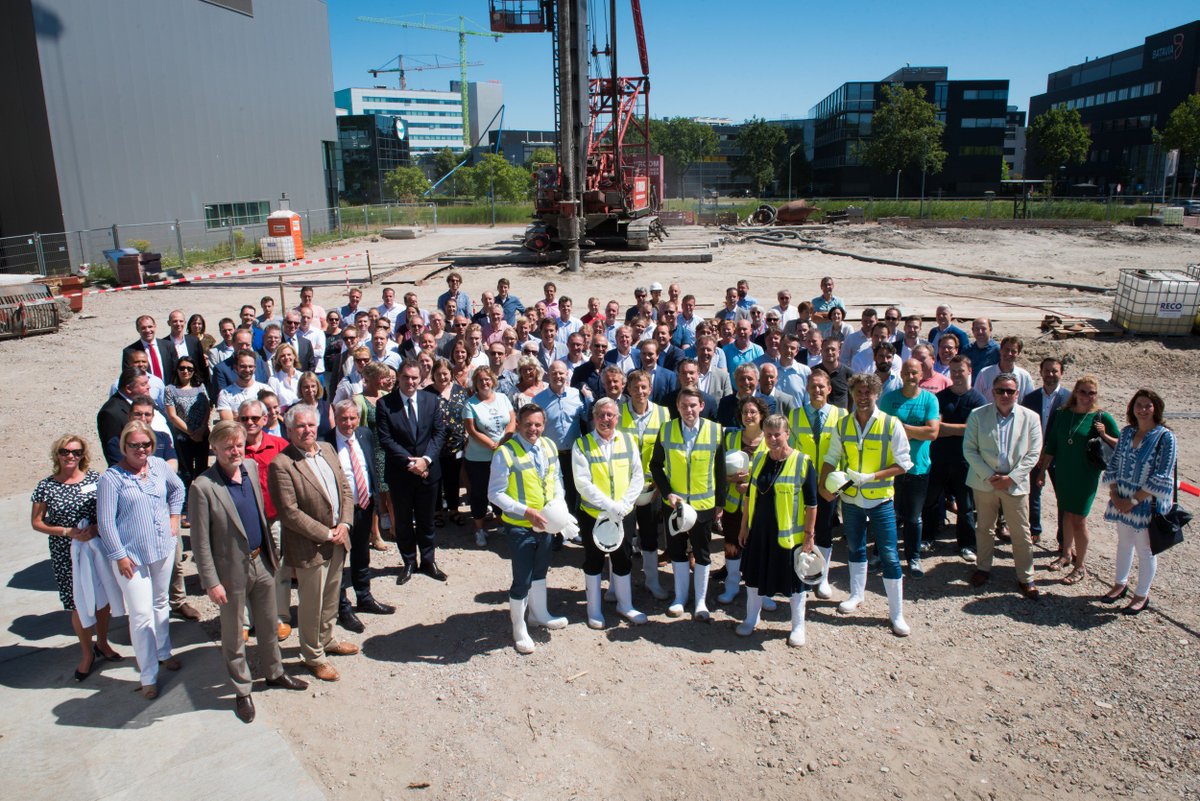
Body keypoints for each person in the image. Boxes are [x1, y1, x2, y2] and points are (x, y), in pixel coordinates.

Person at [190, 421, 308, 722]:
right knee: (233, 635)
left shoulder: (251, 469)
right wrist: (211, 582)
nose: (235, 451)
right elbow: (200, 542)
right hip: (230, 573)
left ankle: (274, 672)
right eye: (227, 446)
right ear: (214, 448)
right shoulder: (203, 486)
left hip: (262, 562)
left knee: (269, 625)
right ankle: (242, 690)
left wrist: (271, 557)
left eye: (238, 444)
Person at [267, 405, 358, 683]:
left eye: (311, 425)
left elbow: (344, 488)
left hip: (339, 538)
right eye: (301, 427)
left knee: (331, 595)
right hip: (311, 545)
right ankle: (312, 655)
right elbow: (290, 512)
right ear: (290, 430)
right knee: (311, 603)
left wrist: (344, 524)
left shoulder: (327, 449)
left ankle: (327, 639)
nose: (307, 430)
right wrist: (326, 533)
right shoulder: (281, 464)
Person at [97, 421, 185, 699]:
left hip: (162, 548)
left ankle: (164, 651)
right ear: (124, 446)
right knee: (141, 614)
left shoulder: (159, 466)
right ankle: (148, 675)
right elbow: (105, 522)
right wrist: (119, 555)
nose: (141, 449)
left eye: (145, 444)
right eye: (134, 445)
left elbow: (178, 489)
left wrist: (174, 517)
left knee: (161, 602)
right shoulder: (112, 479)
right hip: (131, 558)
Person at [819, 374, 912, 637]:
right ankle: (856, 595)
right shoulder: (844, 424)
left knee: (890, 555)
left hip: (880, 499)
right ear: (851, 393)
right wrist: (824, 484)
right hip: (850, 499)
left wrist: (873, 477)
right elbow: (831, 456)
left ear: (876, 395)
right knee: (855, 547)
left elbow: (904, 464)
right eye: (858, 392)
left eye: (868, 393)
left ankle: (897, 614)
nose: (862, 397)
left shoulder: (891, 424)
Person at [31, 435, 123, 682]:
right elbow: (37, 522)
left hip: (96, 548)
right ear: (57, 454)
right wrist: (67, 531)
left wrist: (95, 528)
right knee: (77, 602)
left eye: (76, 451)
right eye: (65, 451)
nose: (70, 456)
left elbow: (109, 510)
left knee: (102, 598)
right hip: (66, 552)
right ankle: (86, 653)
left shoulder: (96, 479)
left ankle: (102, 643)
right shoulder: (46, 486)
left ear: (83, 454)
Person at [488, 404, 570, 654]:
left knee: (541, 570)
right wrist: (527, 512)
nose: (533, 429)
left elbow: (556, 479)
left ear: (543, 425)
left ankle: (539, 614)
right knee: (522, 577)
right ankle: (519, 627)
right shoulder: (505, 452)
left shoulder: (548, 446)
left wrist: (559, 505)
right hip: (521, 526)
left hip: (546, 524)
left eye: (538, 424)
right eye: (528, 425)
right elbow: (495, 493)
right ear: (519, 425)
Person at [735, 415, 818, 645]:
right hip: (759, 531)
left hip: (788, 535)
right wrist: (744, 527)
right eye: (768, 434)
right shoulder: (760, 458)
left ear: (787, 434)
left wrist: (809, 537)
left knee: (795, 582)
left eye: (777, 434)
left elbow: (812, 503)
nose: (772, 439)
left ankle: (798, 626)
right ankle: (752, 618)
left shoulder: (802, 461)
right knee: (753, 577)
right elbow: (750, 495)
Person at [650, 388, 728, 621]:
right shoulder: (666, 429)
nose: (689, 410)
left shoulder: (715, 430)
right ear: (678, 406)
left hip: (704, 505)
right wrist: (667, 493)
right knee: (676, 551)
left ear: (701, 406)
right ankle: (680, 598)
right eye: (684, 406)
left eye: (693, 405)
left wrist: (720, 503)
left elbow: (720, 469)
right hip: (675, 505)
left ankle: (701, 601)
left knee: (702, 553)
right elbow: (656, 465)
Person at [964, 373, 1044, 599]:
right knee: (984, 528)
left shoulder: (1031, 417)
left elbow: (1033, 453)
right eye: (1000, 390)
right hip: (984, 482)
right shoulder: (978, 415)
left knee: (1021, 532)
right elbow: (969, 449)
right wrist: (990, 475)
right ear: (992, 392)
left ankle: (1026, 578)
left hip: (1014, 485)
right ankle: (983, 568)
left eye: (1010, 391)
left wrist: (1011, 478)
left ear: (1017, 393)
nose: (1005, 395)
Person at [571, 397, 647, 629]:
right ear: (593, 418)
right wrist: (609, 505)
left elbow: (638, 475)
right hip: (594, 514)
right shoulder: (581, 445)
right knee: (594, 560)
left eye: (611, 415)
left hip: (623, 513)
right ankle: (593, 609)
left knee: (622, 558)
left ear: (617, 418)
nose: (606, 419)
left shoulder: (628, 440)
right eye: (601, 415)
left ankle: (625, 605)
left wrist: (624, 504)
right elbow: (583, 483)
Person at [1100, 390, 1177, 615]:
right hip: (1122, 500)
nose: (1142, 410)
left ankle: (1141, 594)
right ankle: (1120, 584)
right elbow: (1113, 463)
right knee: (1124, 543)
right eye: (1138, 405)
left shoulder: (1165, 437)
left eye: (1148, 405)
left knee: (1145, 549)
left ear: (1156, 408)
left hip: (1145, 505)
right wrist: (1114, 494)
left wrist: (1133, 500)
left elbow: (1162, 475)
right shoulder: (1126, 433)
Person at [1037, 376, 1120, 584]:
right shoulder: (1063, 414)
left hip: (1085, 475)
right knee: (1065, 513)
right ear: (1075, 392)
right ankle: (1065, 554)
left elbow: (1122, 444)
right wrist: (1041, 472)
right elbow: (1053, 444)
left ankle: (1080, 565)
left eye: (1091, 393)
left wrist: (1105, 435)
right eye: (1083, 392)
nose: (1087, 397)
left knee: (1079, 519)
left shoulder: (1102, 418)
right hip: (1064, 472)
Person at [326, 400, 395, 634]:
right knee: (337, 561)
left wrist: (375, 495)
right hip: (338, 512)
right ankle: (342, 606)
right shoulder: (326, 441)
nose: (348, 423)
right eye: (343, 418)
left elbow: (369, 466)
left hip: (364, 506)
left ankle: (364, 596)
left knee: (361, 554)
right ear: (335, 418)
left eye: (353, 418)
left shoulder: (364, 434)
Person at [377, 360, 448, 584]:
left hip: (428, 472)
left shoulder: (431, 400)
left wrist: (425, 461)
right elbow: (386, 439)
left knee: (427, 520)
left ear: (420, 379)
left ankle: (428, 561)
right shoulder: (385, 404)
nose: (410, 382)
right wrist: (412, 464)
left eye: (415, 378)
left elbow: (439, 434)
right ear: (398, 377)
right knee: (404, 522)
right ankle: (409, 561)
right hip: (400, 474)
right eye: (406, 377)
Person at [877, 359, 941, 578]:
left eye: (914, 373)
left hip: (918, 467)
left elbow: (933, 432)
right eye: (907, 372)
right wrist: (916, 431)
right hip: (891, 466)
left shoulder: (929, 400)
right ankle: (883, 554)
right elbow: (882, 430)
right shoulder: (889, 399)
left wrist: (903, 429)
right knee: (887, 514)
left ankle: (913, 558)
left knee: (913, 517)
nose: (910, 376)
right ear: (901, 373)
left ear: (921, 374)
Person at [788, 370, 848, 599]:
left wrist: (839, 486)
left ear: (829, 389)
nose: (817, 390)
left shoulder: (841, 415)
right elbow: (790, 452)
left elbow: (846, 452)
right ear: (807, 389)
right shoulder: (794, 415)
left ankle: (821, 576)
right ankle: (800, 571)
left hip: (830, 484)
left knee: (824, 530)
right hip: (802, 483)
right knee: (800, 528)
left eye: (822, 386)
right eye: (813, 386)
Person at [924, 356, 986, 561]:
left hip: (965, 461)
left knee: (965, 505)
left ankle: (967, 544)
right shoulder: (939, 398)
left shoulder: (978, 400)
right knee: (931, 500)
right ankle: (927, 537)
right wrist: (961, 429)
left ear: (969, 371)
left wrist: (947, 428)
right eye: (953, 371)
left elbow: (973, 431)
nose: (957, 375)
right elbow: (935, 429)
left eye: (961, 370)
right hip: (939, 458)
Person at [618, 371, 672, 599]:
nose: (640, 392)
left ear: (650, 388)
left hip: (652, 486)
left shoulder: (663, 412)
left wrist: (661, 484)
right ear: (627, 389)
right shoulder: (619, 413)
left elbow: (668, 450)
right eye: (635, 387)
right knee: (622, 536)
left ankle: (652, 581)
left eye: (644, 387)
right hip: (625, 486)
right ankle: (618, 585)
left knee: (650, 535)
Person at [716, 396, 768, 605]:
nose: (749, 416)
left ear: (762, 415)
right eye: (745, 412)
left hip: (760, 505)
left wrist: (752, 487)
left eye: (753, 412)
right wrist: (729, 479)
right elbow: (718, 469)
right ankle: (731, 585)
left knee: (759, 547)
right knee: (731, 544)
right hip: (733, 503)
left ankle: (761, 591)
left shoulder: (769, 440)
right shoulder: (730, 438)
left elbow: (777, 473)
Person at [463, 368, 516, 547]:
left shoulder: (502, 398)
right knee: (480, 492)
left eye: (487, 379)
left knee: (502, 488)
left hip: (503, 454)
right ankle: (479, 528)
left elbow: (512, 420)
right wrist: (492, 445)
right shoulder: (471, 404)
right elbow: (471, 430)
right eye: (480, 380)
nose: (484, 383)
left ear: (493, 380)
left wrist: (504, 441)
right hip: (479, 458)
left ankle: (501, 521)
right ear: (475, 383)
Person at [1022, 357, 1071, 546]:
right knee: (1033, 493)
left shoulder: (1069, 399)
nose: (1050, 375)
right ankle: (1035, 529)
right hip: (1034, 453)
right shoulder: (1031, 398)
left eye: (1054, 371)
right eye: (1047, 371)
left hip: (1059, 456)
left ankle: (1063, 538)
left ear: (1061, 373)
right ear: (1041, 372)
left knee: (1062, 498)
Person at [425, 358, 468, 528]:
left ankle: (453, 509)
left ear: (451, 373)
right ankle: (436, 512)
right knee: (435, 479)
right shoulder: (426, 393)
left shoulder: (460, 392)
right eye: (438, 374)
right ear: (433, 375)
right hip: (434, 444)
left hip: (456, 445)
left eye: (445, 373)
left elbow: (466, 414)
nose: (442, 377)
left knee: (453, 479)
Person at [164, 356, 210, 500]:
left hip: (202, 435)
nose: (185, 371)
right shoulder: (170, 390)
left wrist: (202, 428)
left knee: (202, 471)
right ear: (177, 370)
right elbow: (172, 415)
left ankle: (202, 501)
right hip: (183, 437)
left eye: (189, 369)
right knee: (186, 472)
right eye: (182, 368)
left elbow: (207, 408)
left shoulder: (200, 387)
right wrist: (191, 432)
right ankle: (184, 505)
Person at [975, 336, 1034, 402]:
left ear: (1018, 354)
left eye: (1013, 351)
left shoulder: (1024, 376)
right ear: (1000, 350)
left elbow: (1030, 402)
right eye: (1007, 349)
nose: (1009, 353)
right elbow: (976, 400)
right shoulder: (985, 374)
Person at [217, 351, 271, 421]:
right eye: (243, 366)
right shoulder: (225, 394)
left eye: (250, 366)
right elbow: (229, 424)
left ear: (255, 368)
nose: (247, 370)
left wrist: (239, 417)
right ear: (235, 368)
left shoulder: (266, 389)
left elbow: (271, 417)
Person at [296, 372, 335, 438]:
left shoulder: (327, 407)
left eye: (313, 386)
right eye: (306, 387)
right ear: (300, 389)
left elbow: (333, 431)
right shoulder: (295, 409)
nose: (310, 390)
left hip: (326, 446)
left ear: (318, 387)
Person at [268, 344, 303, 409]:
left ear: (294, 356)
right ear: (278, 359)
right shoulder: (273, 380)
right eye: (282, 356)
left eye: (289, 354)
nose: (286, 357)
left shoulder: (302, 377)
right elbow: (274, 406)